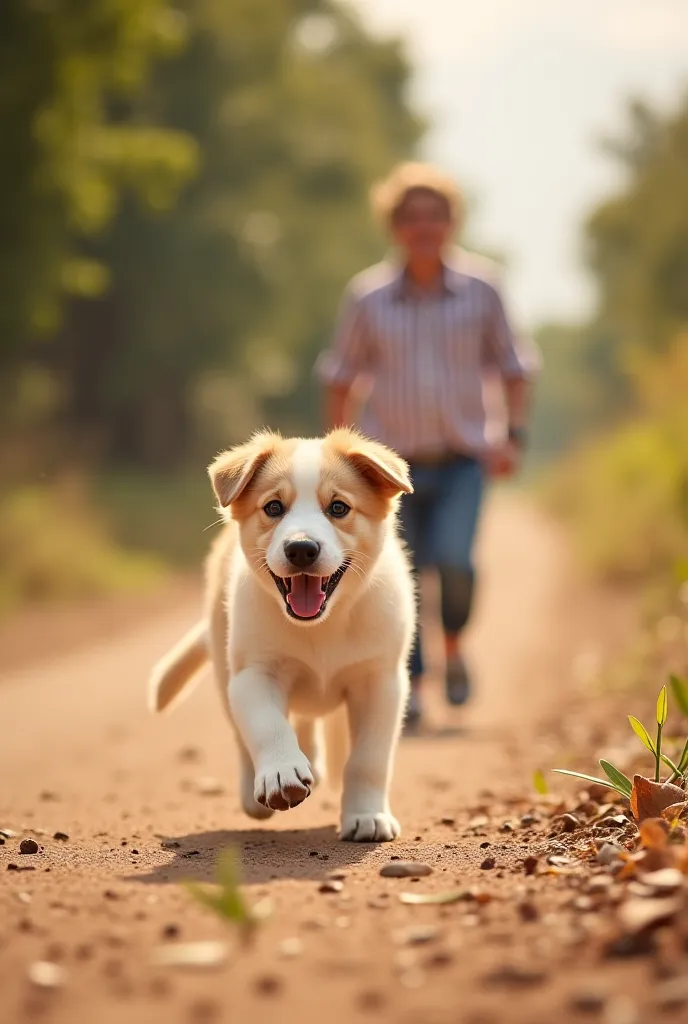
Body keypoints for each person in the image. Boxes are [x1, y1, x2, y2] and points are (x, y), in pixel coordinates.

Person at [316, 162, 540, 729]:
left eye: (434, 215)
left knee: (457, 562)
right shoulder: (368, 298)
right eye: (411, 217)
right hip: (388, 468)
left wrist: (513, 435)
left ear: (451, 222)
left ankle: (457, 652)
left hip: (465, 457)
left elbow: (516, 367)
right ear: (394, 225)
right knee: (402, 573)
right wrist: (332, 461)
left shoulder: (483, 289)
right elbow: (341, 376)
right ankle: (412, 684)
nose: (424, 227)